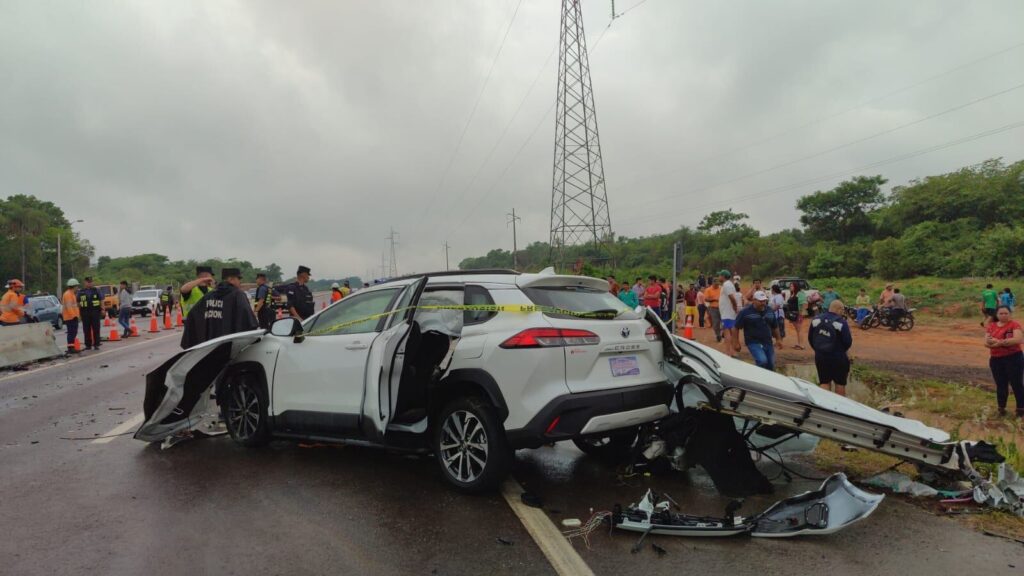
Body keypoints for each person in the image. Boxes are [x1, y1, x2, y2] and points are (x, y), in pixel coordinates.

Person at [181, 268, 259, 349]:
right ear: (231, 279)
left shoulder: (210, 294)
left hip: (209, 346)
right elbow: (248, 321)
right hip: (230, 346)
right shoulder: (238, 294)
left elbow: (193, 317)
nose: (240, 282)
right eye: (238, 278)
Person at [985, 305, 1024, 418]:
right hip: (996, 359)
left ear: (1010, 314)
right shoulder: (991, 326)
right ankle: (1001, 409)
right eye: (1001, 313)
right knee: (1001, 385)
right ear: (996, 315)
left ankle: (1021, 410)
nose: (1003, 315)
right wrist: (995, 343)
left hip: (1013, 358)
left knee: (1017, 384)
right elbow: (986, 342)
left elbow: (1017, 339)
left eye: (1006, 313)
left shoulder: (1014, 325)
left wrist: (999, 342)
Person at [809, 300, 854, 396]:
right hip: (838, 357)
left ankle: (824, 407)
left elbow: (811, 339)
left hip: (821, 357)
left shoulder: (816, 320)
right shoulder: (841, 322)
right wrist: (841, 350)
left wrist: (819, 350)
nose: (843, 312)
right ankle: (839, 408)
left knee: (824, 382)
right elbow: (848, 342)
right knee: (840, 384)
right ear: (838, 309)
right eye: (842, 310)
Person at [733, 290, 782, 371]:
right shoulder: (745, 312)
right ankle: (758, 377)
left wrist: (779, 339)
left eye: (764, 301)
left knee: (771, 364)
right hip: (753, 342)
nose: (763, 303)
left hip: (767, 341)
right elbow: (736, 327)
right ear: (754, 300)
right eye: (760, 301)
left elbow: (775, 326)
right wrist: (736, 342)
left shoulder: (769, 311)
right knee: (762, 361)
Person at [77, 277, 105, 350]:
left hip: (95, 312)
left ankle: (96, 344)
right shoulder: (81, 291)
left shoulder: (97, 290)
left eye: (90, 282)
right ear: (85, 283)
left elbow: (101, 300)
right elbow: (78, 303)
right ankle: (88, 345)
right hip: (85, 312)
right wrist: (78, 314)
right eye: (88, 282)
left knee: (96, 328)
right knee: (86, 329)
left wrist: (103, 309)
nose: (89, 283)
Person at [719, 269, 741, 357]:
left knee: (727, 332)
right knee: (731, 332)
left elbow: (731, 297)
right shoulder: (729, 284)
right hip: (728, 312)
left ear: (723, 276)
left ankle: (728, 352)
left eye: (720, 275)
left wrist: (735, 306)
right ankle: (732, 351)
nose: (718, 277)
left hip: (727, 313)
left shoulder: (726, 284)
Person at [62, 279, 81, 353]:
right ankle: (70, 348)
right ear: (74, 286)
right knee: (71, 332)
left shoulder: (72, 294)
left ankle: (71, 347)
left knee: (73, 332)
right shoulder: (68, 294)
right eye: (77, 286)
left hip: (72, 316)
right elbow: (69, 307)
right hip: (70, 317)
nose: (77, 287)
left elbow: (74, 306)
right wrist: (74, 316)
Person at [786, 281, 806, 350]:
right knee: (797, 329)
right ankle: (799, 343)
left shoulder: (800, 294)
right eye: (790, 286)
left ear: (796, 287)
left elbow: (804, 304)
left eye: (792, 286)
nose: (790, 287)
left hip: (798, 314)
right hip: (793, 314)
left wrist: (801, 314)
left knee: (799, 329)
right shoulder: (793, 294)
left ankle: (802, 345)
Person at [704, 277, 722, 341]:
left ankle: (722, 333)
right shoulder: (708, 290)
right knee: (716, 323)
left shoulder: (721, 289)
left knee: (723, 322)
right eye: (716, 284)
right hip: (713, 308)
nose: (717, 285)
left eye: (718, 284)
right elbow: (706, 299)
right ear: (713, 283)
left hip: (722, 308)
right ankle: (718, 335)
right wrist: (714, 299)